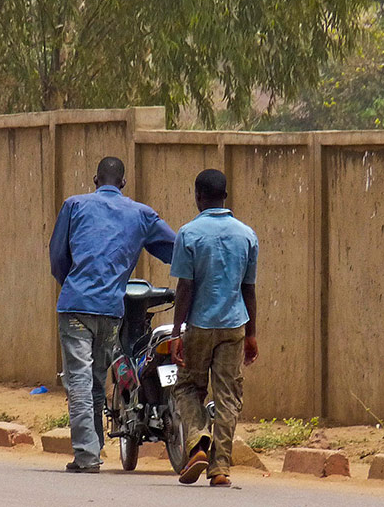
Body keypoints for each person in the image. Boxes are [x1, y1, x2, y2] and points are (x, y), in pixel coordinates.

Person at [49, 156, 176, 473]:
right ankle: (93, 449)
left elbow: (57, 257)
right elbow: (175, 249)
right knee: (94, 381)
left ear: (95, 180)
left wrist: (75, 285)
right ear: (123, 183)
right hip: (111, 310)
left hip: (75, 305)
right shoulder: (141, 214)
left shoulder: (74, 205)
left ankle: (88, 455)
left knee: (79, 381)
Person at [169, 168, 259, 487]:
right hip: (234, 325)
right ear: (225, 195)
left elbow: (185, 287)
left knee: (187, 388)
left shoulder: (189, 234)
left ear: (197, 196)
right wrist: (252, 334)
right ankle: (220, 467)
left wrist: (177, 332)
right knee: (228, 396)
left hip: (199, 326)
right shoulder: (247, 235)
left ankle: (198, 442)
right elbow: (249, 289)